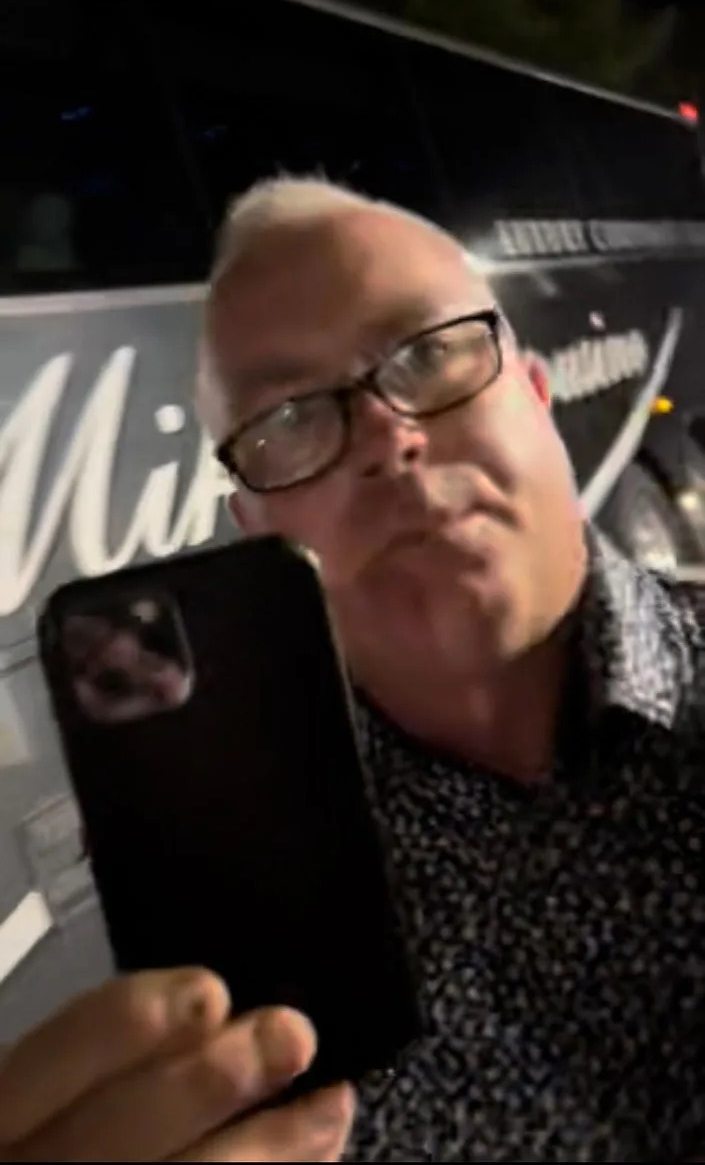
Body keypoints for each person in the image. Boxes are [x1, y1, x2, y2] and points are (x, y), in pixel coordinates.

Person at [2, 176, 705, 1163]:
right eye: (289, 419)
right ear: (253, 526)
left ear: (539, 398)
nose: (387, 438)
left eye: (430, 354)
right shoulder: (229, 890)